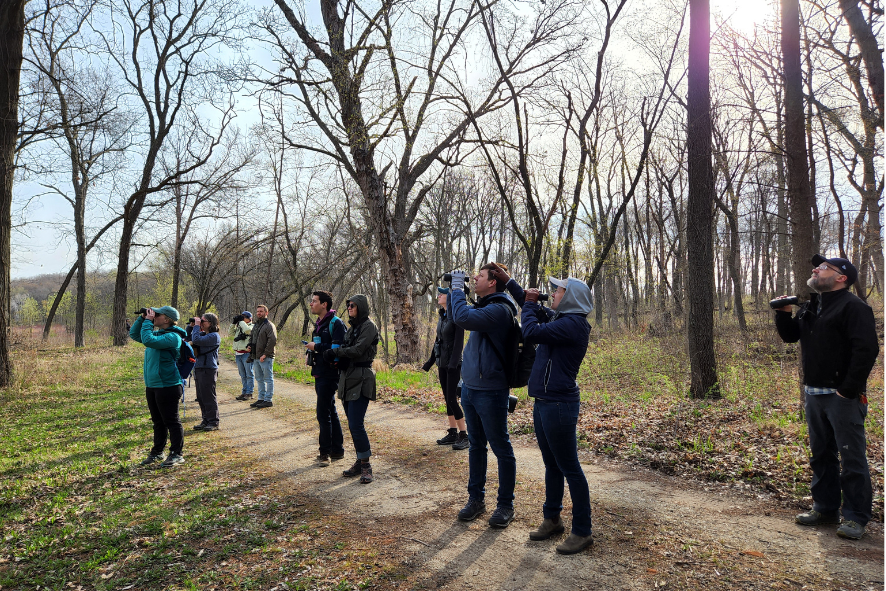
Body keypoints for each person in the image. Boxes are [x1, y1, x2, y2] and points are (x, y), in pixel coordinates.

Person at [774, 255, 879, 540]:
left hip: (842, 397)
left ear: (841, 277)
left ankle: (856, 517)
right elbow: (791, 337)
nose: (815, 269)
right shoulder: (812, 306)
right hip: (814, 394)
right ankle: (825, 508)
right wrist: (783, 312)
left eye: (823, 267)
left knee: (851, 457)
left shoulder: (854, 307)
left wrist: (848, 390)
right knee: (821, 455)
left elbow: (867, 350)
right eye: (817, 266)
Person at [509, 272, 595, 555]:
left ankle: (582, 531)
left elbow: (530, 330)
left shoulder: (573, 325)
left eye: (557, 291)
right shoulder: (561, 320)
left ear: (569, 297)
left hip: (560, 404)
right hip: (545, 402)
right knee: (552, 465)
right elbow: (532, 307)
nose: (553, 294)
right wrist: (509, 281)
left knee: (570, 467)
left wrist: (531, 304)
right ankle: (552, 518)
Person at [448, 263, 518, 528]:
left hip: (492, 391)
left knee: (501, 448)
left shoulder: (500, 309)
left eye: (480, 275)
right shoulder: (484, 307)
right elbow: (460, 314)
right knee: (476, 445)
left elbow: (462, 318)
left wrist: (457, 287)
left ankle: (505, 505)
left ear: (492, 283)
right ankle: (476, 499)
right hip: (471, 389)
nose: (474, 277)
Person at [323, 294, 379, 484]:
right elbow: (348, 346)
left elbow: (357, 350)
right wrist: (338, 359)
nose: (349, 308)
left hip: (362, 378)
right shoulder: (353, 327)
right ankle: (359, 459)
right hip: (347, 377)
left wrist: (335, 352)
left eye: (353, 305)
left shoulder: (369, 326)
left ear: (361, 307)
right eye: (348, 306)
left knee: (356, 423)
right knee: (352, 424)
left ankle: (366, 466)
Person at [129, 306, 189, 468]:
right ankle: (157, 452)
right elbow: (135, 334)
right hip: (153, 385)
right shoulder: (158, 334)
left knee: (171, 421)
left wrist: (148, 321)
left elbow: (148, 340)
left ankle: (177, 454)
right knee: (158, 421)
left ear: (167, 319)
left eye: (158, 315)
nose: (154, 316)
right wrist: (142, 318)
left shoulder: (173, 337)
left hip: (168, 385)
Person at [422, 286, 468, 450]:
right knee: (447, 399)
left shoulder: (457, 317)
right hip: (442, 364)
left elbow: (458, 343)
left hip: (453, 366)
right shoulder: (442, 317)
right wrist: (430, 362)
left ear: (450, 298)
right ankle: (452, 432)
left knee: (451, 399)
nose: (439, 295)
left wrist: (453, 364)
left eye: (442, 293)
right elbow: (437, 342)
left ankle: (464, 435)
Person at [305, 291, 346, 466]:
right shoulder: (320, 323)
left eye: (314, 301)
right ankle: (337, 450)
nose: (311, 304)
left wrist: (317, 346)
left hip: (330, 373)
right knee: (330, 410)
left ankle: (325, 454)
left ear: (324, 304)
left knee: (323, 414)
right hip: (319, 371)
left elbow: (338, 347)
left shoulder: (336, 323)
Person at [191, 313, 222, 431]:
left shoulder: (214, 336)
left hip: (208, 369)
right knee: (200, 396)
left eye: (204, 321)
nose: (202, 323)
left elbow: (196, 340)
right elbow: (191, 338)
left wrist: (196, 327)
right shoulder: (204, 334)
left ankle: (213, 422)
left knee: (208, 396)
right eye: (201, 321)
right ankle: (205, 420)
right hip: (199, 368)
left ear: (211, 323)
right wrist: (192, 325)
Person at [246, 305, 277, 408]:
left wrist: (265, 354)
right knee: (259, 379)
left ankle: (268, 400)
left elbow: (272, 341)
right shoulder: (256, 325)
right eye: (258, 311)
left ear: (266, 313)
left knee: (268, 379)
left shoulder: (269, 325)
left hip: (265, 357)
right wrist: (249, 345)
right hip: (255, 356)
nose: (259, 313)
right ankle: (261, 399)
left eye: (261, 311)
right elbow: (252, 337)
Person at [231, 311, 254, 401]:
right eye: (241, 317)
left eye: (244, 317)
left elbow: (248, 331)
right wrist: (233, 323)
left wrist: (241, 322)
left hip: (246, 353)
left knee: (249, 374)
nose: (242, 318)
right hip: (238, 353)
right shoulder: (239, 327)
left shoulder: (252, 326)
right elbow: (230, 332)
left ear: (249, 318)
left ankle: (249, 392)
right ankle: (244, 392)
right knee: (242, 375)